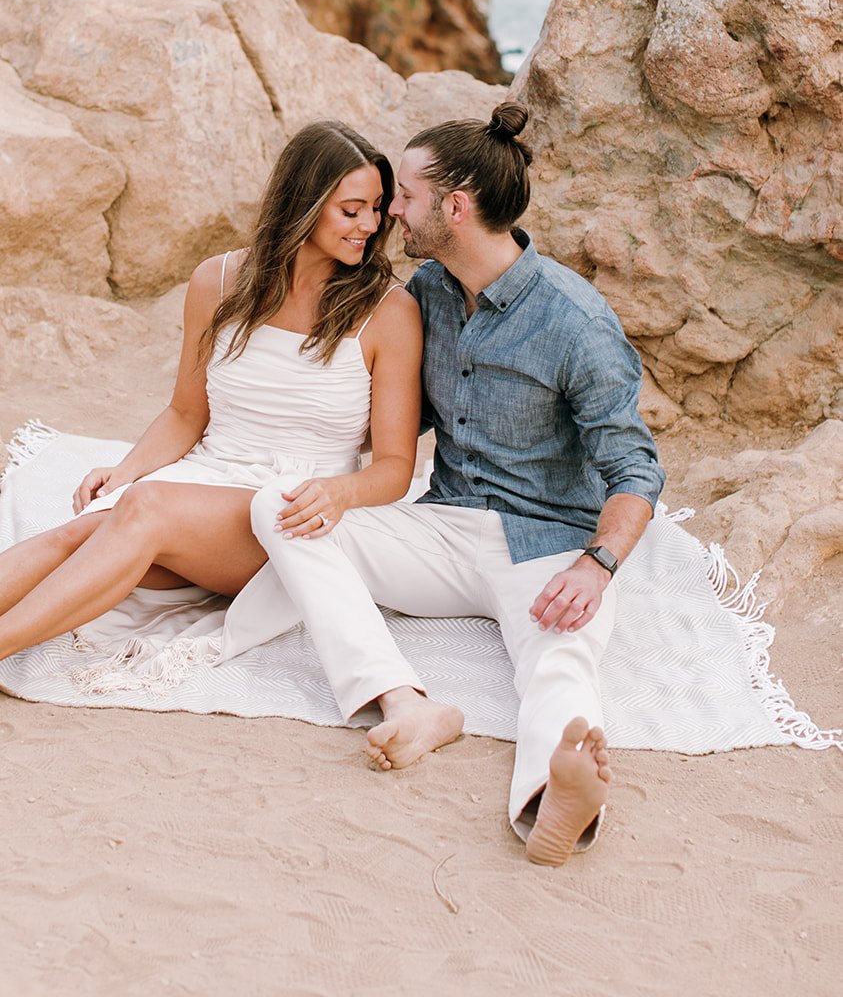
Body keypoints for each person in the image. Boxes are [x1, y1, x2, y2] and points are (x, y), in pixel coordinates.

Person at [0, 121, 462, 756]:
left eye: (376, 209)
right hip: (207, 479)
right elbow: (185, 414)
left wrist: (338, 490)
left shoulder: (387, 311)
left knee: (141, 510)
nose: (370, 225)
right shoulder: (220, 281)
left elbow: (397, 467)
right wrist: (127, 470)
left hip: (288, 513)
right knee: (82, 530)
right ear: (304, 204)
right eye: (351, 210)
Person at [244, 104, 665, 867]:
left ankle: (550, 793)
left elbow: (633, 468)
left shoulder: (574, 322)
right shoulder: (425, 296)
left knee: (559, 656)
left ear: (455, 208)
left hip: (544, 544)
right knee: (281, 509)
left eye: (402, 195)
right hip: (439, 530)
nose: (388, 213)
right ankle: (403, 699)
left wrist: (595, 565)